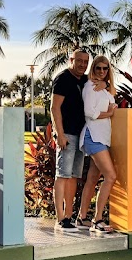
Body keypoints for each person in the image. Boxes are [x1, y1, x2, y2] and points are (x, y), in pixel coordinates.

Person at [76, 55, 118, 234]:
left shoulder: (103, 89)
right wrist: (109, 114)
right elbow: (89, 113)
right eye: (98, 68)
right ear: (93, 68)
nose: (101, 71)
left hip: (103, 137)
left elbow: (113, 97)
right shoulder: (90, 87)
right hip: (93, 137)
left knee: (93, 178)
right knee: (110, 176)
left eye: (105, 68)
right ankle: (98, 219)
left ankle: (82, 217)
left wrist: (107, 85)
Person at [50, 48, 89, 229]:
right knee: (63, 175)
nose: (82, 64)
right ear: (71, 60)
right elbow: (54, 108)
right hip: (67, 135)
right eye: (79, 61)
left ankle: (69, 215)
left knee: (74, 176)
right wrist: (60, 133)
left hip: (81, 136)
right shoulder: (63, 79)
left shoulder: (86, 80)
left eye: (85, 62)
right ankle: (60, 217)